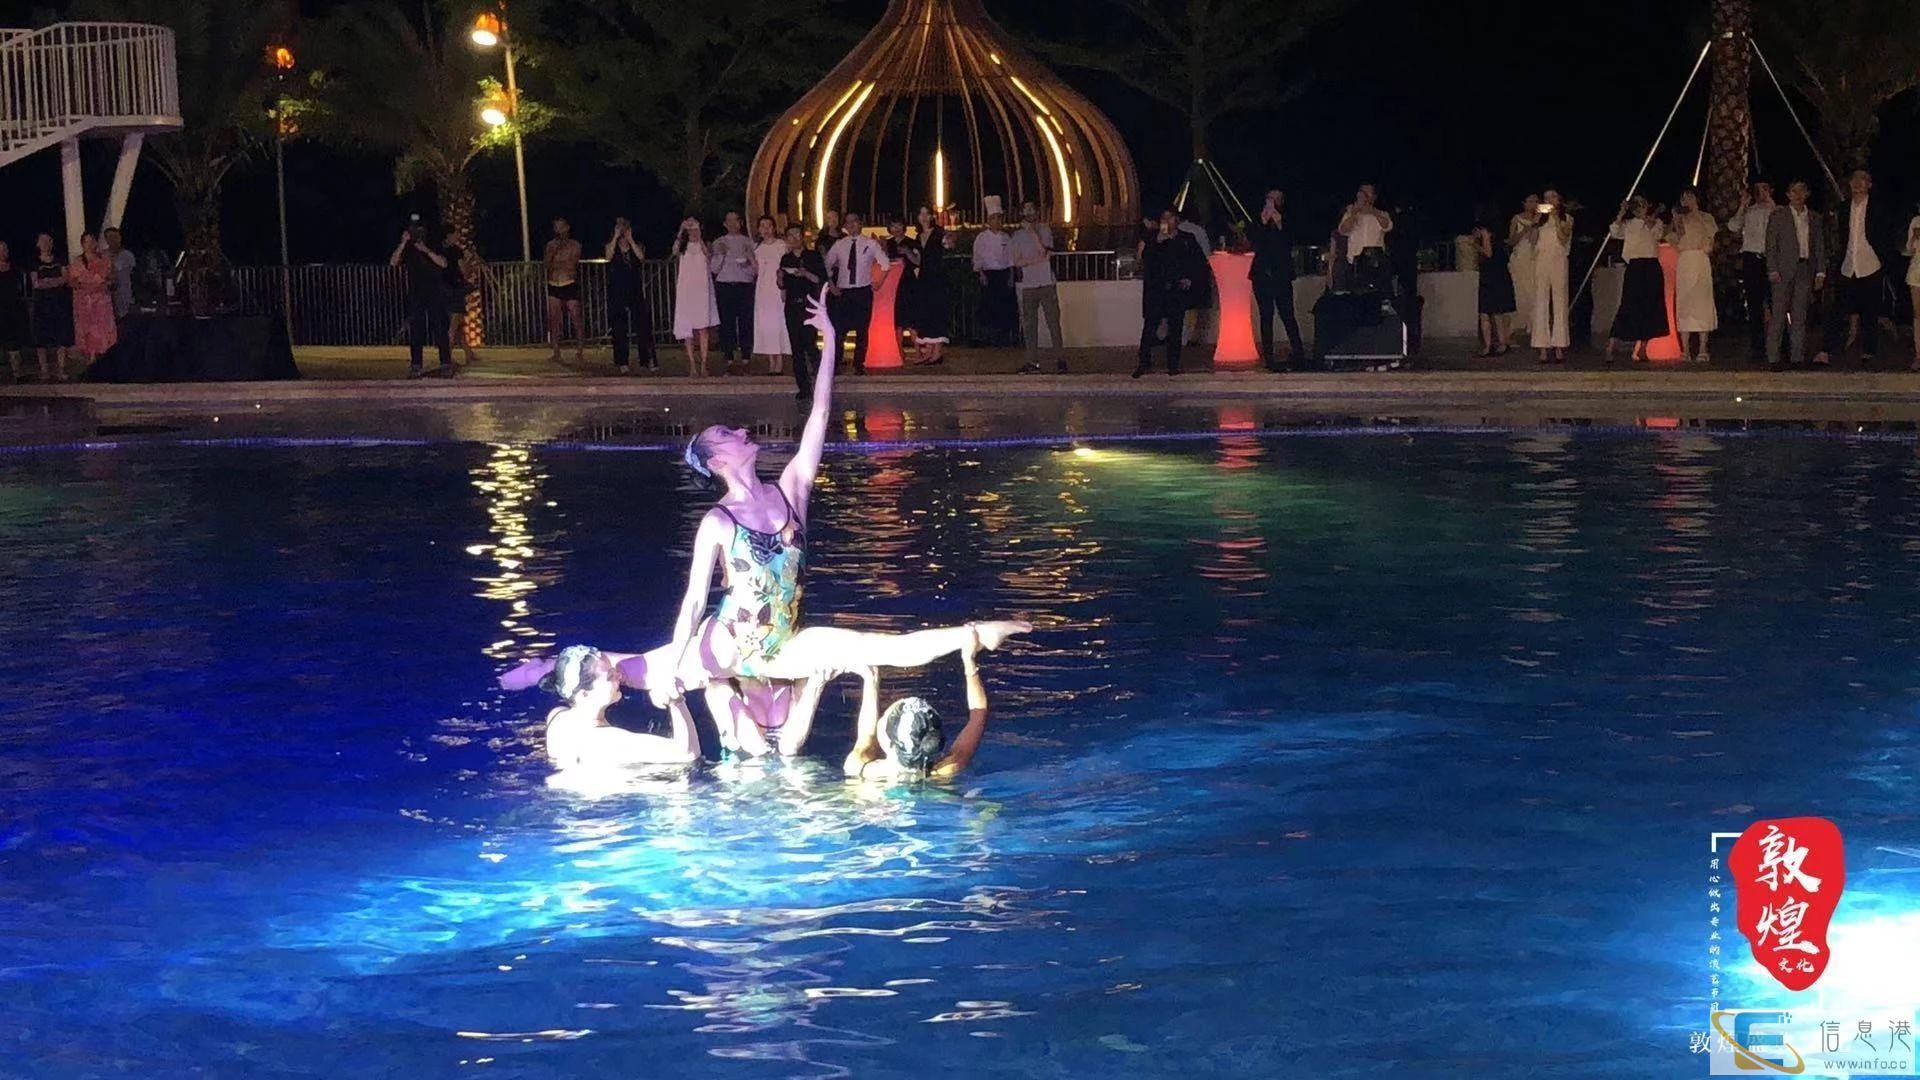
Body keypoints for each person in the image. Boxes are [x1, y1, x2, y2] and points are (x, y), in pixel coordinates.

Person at [498, 295, 1031, 756]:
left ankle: (974, 633)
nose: (741, 430)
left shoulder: (791, 489)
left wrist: (829, 343)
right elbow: (693, 601)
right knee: (642, 670)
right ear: (717, 462)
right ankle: (546, 668)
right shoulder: (718, 521)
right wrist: (679, 665)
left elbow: (820, 414)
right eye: (727, 434)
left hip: (785, 642)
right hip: (727, 641)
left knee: (876, 647)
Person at [844, 628, 994, 782]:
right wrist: (969, 660)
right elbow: (978, 715)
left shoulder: (859, 768)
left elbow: (867, 734)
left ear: (888, 742)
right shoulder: (948, 770)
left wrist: (871, 678)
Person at [542, 645, 698, 771]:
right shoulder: (607, 742)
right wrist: (676, 701)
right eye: (610, 676)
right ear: (584, 695)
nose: (620, 676)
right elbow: (688, 754)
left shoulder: (556, 717)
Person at [1818, 169, 1900, 366]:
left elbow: (1886, 235)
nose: (1857, 183)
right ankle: (1826, 350)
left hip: (1870, 264)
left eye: (1862, 180)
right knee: (1838, 309)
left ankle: (1869, 350)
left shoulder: (1878, 208)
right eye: (1854, 179)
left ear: (1869, 184)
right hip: (1848, 265)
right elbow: (1842, 235)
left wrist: (1883, 260)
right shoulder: (1844, 208)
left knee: (1870, 310)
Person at [1134, 209, 1207, 378]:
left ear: (1177, 220)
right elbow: (1144, 260)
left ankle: (1173, 364)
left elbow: (1197, 262)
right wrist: (1157, 242)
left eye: (1170, 218)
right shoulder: (1152, 238)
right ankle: (1143, 363)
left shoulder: (1186, 239)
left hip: (1176, 289)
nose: (1166, 221)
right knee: (1150, 327)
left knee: (1175, 328)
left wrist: (1189, 278)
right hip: (1156, 289)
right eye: (1163, 218)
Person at [1764, 180, 1827, 369]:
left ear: (1807, 194)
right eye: (1794, 191)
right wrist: (1772, 269)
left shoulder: (1814, 218)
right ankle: (1773, 358)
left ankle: (1797, 358)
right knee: (1778, 315)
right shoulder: (1779, 216)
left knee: (1800, 315)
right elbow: (1771, 244)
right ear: (1788, 194)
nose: (1798, 195)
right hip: (1782, 271)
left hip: (1805, 269)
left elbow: (1819, 246)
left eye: (1801, 191)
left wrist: (1820, 272)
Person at [824, 211, 889, 374]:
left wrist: (879, 282)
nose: (851, 225)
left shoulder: (870, 243)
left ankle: (859, 364)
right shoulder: (839, 244)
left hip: (863, 290)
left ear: (860, 224)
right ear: (844, 226)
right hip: (843, 292)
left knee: (862, 329)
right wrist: (831, 285)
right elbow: (826, 264)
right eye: (848, 222)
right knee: (839, 330)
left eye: (855, 221)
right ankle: (836, 363)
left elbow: (885, 263)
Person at [1606, 196, 1668, 364]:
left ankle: (1643, 348)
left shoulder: (1656, 222)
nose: (1640, 209)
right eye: (1637, 206)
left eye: (1642, 205)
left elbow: (1657, 233)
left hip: (1651, 266)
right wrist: (1621, 212)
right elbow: (1614, 232)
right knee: (1628, 305)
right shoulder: (1628, 224)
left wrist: (1649, 218)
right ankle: (1611, 346)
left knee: (1651, 307)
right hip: (1635, 266)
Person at [389, 217, 453, 378]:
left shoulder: (433, 244)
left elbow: (443, 263)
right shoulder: (408, 248)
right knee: (416, 328)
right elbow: (393, 262)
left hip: (435, 290)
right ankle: (416, 364)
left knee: (439, 326)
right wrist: (403, 243)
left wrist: (426, 250)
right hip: (416, 291)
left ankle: (445, 362)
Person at [1251, 189, 1306, 371]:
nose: (1272, 203)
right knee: (1266, 316)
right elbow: (1254, 243)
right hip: (1262, 275)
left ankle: (1298, 353)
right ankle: (1269, 358)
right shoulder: (1259, 220)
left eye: (1276, 200)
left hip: (1281, 275)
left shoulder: (1288, 219)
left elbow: (1289, 242)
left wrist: (1279, 222)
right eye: (1269, 199)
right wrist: (1263, 223)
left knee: (1287, 314)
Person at [1011, 201, 1065, 374]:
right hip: (1029, 284)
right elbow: (1017, 261)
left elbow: (1044, 251)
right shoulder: (1017, 236)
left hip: (1046, 282)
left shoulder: (1045, 230)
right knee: (1030, 325)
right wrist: (1036, 261)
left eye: (1031, 209)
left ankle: (1060, 359)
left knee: (1053, 322)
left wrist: (1032, 234)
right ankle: (1032, 361)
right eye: (1025, 209)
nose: (1029, 212)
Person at [778, 224, 827, 399]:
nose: (794, 239)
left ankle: (821, 382)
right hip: (792, 305)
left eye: (797, 235)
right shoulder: (786, 259)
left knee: (811, 345)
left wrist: (806, 274)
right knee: (796, 348)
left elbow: (821, 280)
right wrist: (780, 278)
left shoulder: (813, 256)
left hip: (808, 305)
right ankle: (804, 388)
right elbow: (783, 286)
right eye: (790, 236)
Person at [1671, 186, 1719, 363]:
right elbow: (1676, 238)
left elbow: (1710, 240)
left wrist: (1695, 212)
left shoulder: (1707, 217)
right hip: (1685, 260)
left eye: (1689, 197)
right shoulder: (1680, 218)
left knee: (1702, 303)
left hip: (1700, 260)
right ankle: (1685, 350)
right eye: (1683, 198)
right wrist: (1677, 219)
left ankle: (1703, 348)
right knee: (1685, 304)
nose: (1686, 201)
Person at [1731, 182, 1777, 361]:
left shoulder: (1776, 209)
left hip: (1771, 259)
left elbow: (1778, 221)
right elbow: (1733, 226)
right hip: (1752, 260)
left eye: (1765, 188)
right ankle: (1757, 348)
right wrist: (1743, 204)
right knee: (1754, 305)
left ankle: (1781, 346)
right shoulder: (1749, 211)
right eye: (1758, 189)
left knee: (1776, 304)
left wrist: (1769, 200)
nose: (1761, 192)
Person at [1526, 189, 1573, 364]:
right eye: (1545, 198)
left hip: (1559, 259)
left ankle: (1559, 345)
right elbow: (1532, 240)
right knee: (1541, 301)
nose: (1549, 200)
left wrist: (1555, 218)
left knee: (1560, 301)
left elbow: (1563, 239)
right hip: (1541, 259)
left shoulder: (1567, 218)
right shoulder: (1539, 219)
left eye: (1552, 197)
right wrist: (1536, 221)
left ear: (1559, 199)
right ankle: (1542, 347)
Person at [605, 217, 656, 375]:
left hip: (634, 288)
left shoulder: (637, 245)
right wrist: (615, 237)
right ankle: (622, 361)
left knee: (643, 324)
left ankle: (647, 359)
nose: (622, 231)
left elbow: (641, 257)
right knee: (619, 326)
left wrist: (631, 240)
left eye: (624, 227)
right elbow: (608, 256)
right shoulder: (611, 245)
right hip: (617, 289)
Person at [710, 211, 757, 374]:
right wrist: (721, 255)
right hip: (724, 286)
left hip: (744, 286)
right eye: (728, 221)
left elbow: (754, 270)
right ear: (724, 224)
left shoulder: (749, 242)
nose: (732, 224)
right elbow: (714, 269)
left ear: (740, 223)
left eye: (735, 220)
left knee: (746, 322)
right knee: (726, 323)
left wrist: (747, 265)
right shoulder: (718, 242)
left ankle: (746, 358)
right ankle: (729, 358)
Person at [673, 217, 719, 376]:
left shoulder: (705, 244)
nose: (692, 231)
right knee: (687, 328)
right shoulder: (683, 245)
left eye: (695, 228)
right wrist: (681, 230)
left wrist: (699, 237)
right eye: (690, 229)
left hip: (702, 289)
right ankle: (692, 364)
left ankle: (704, 364)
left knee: (703, 327)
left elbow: (708, 255)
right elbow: (674, 251)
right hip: (686, 289)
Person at [906, 206, 952, 365]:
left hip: (937, 277)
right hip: (924, 278)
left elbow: (949, 246)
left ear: (932, 216)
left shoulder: (939, 233)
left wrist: (949, 240)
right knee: (926, 312)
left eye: (927, 214)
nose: (924, 217)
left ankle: (937, 352)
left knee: (937, 312)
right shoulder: (918, 236)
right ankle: (930, 350)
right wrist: (908, 253)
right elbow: (918, 260)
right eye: (921, 214)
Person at [1472, 210, 1517, 358]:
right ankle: (1502, 342)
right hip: (1499, 273)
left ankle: (1488, 345)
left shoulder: (1485, 232)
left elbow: (1488, 253)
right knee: (1497, 311)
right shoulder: (1498, 235)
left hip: (1490, 275)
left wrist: (1475, 245)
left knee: (1485, 312)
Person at [751, 215, 792, 377]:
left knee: (778, 322)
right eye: (762, 226)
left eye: (768, 225)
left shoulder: (782, 245)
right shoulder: (757, 248)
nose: (766, 229)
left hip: (778, 289)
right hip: (763, 290)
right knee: (766, 323)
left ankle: (779, 360)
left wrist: (785, 287)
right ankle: (770, 361)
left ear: (774, 228)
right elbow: (756, 271)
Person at [27, 233, 71, 382]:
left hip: (59, 302)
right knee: (41, 337)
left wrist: (47, 281)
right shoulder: (34, 262)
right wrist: (55, 281)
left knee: (61, 335)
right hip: (42, 304)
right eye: (43, 241)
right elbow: (36, 283)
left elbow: (66, 278)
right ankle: (44, 370)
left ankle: (61, 369)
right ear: (38, 244)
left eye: (48, 241)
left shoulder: (60, 260)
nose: (46, 244)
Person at [68, 232, 116, 363]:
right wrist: (84, 286)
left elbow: (112, 278)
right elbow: (71, 281)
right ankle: (90, 356)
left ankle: (105, 355)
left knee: (102, 327)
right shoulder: (77, 261)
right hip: (85, 301)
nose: (90, 245)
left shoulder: (104, 260)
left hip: (101, 300)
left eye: (92, 241)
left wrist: (106, 284)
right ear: (82, 244)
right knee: (87, 328)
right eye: (87, 242)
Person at [1338, 184, 1394, 294]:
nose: (1365, 196)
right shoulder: (1351, 213)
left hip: (1375, 262)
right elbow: (1343, 230)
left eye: (1368, 193)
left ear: (1374, 197)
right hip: (1354, 263)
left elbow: (1387, 226)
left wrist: (1372, 211)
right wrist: (1354, 213)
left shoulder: (1382, 214)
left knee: (1378, 296)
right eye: (1362, 193)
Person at [543, 217, 584, 364]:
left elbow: (572, 263)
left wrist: (559, 261)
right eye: (556, 227)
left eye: (561, 227)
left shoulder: (575, 244)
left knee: (576, 317)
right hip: (554, 283)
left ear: (567, 228)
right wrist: (554, 254)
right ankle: (556, 352)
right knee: (554, 319)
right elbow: (547, 264)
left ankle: (580, 350)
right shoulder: (551, 245)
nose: (558, 230)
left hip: (569, 283)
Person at [971, 209, 1015, 346]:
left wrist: (1011, 276)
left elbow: (1010, 258)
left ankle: (1002, 337)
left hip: (1003, 273)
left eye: (999, 218)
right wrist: (981, 274)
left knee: (1004, 305)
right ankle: (988, 336)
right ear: (989, 221)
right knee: (988, 305)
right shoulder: (982, 237)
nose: (997, 221)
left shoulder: (1006, 237)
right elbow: (977, 256)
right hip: (988, 274)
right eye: (994, 218)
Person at [443, 237, 489, 367]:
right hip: (456, 290)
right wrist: (469, 261)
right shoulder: (456, 251)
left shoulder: (442, 250)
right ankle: (446, 357)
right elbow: (464, 271)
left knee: (459, 326)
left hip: (446, 289)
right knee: (454, 326)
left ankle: (469, 354)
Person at [883, 217, 920, 362]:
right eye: (893, 226)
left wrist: (907, 253)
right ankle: (899, 352)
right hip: (893, 284)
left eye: (899, 225)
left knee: (912, 320)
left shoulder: (912, 242)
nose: (896, 229)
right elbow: (883, 261)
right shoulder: (888, 244)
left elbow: (918, 261)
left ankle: (918, 352)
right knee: (896, 321)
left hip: (908, 283)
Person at [1509, 194, 1541, 340]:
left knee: (1534, 291)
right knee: (1520, 291)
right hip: (1520, 258)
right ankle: (1517, 325)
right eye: (1530, 201)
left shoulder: (1541, 219)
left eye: (1536, 201)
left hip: (1535, 258)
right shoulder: (1517, 218)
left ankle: (1535, 326)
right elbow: (1511, 241)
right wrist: (1523, 231)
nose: (1533, 204)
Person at [0, 242, 26, 381]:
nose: (3, 253)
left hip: (13, 309)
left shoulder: (15, 268)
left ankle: (17, 373)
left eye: (5, 250)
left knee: (13, 343)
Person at [102, 227, 136, 322]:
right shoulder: (102, 255)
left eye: (115, 237)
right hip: (105, 299)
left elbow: (114, 271)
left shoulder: (127, 255)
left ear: (120, 238)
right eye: (110, 237)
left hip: (123, 297)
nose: (113, 240)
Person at [1906, 206, 1920, 371]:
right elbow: (1909, 249)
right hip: (1917, 271)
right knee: (1918, 313)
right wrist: (1913, 238)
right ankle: (1918, 355)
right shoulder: (1916, 221)